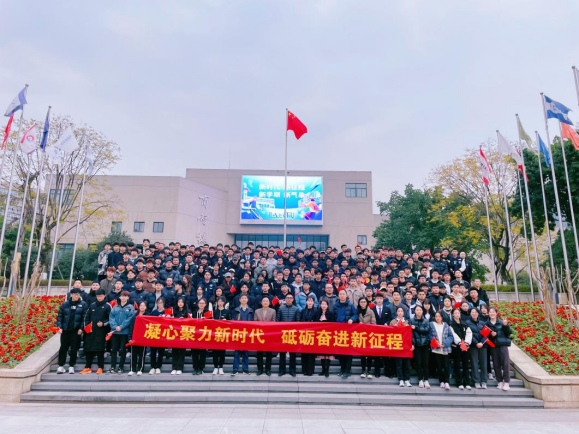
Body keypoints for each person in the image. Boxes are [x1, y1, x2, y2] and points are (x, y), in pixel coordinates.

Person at [56, 288, 88, 374]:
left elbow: (84, 318)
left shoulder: (83, 304)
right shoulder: (65, 304)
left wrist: (81, 328)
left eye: (78, 294)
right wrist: (60, 327)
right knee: (63, 348)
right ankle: (61, 366)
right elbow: (60, 316)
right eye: (74, 294)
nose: (76, 296)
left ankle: (71, 366)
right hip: (65, 330)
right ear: (71, 294)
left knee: (74, 349)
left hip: (76, 330)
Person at [80, 289, 110, 375]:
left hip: (101, 331)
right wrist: (87, 327)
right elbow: (86, 317)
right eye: (98, 296)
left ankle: (100, 367)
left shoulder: (107, 306)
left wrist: (103, 324)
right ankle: (88, 367)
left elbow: (110, 319)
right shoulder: (92, 305)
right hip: (90, 331)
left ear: (104, 296)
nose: (99, 297)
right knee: (88, 348)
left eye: (101, 296)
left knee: (100, 350)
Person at [108, 291, 135, 374]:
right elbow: (111, 317)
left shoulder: (131, 307)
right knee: (114, 350)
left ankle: (121, 367)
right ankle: (113, 367)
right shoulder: (115, 307)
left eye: (125, 296)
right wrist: (115, 326)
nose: (123, 298)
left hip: (124, 332)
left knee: (123, 350)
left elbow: (129, 319)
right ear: (119, 297)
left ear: (128, 298)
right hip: (115, 332)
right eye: (122, 296)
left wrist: (121, 326)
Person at [334, 289, 358, 378]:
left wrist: (352, 319)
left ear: (346, 295)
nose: (342, 295)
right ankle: (342, 369)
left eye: (343, 294)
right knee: (340, 352)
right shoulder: (335, 306)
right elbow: (333, 317)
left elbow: (355, 314)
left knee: (348, 352)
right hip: (338, 332)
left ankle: (347, 370)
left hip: (348, 332)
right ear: (338, 295)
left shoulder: (350, 305)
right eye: (340, 294)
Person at [487, 306, 512, 391]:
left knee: (505, 364)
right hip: (493, 346)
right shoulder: (487, 324)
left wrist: (505, 325)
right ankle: (500, 381)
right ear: (488, 313)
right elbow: (486, 336)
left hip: (502, 345)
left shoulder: (501, 322)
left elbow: (508, 333)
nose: (492, 313)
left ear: (496, 313)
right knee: (496, 364)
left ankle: (506, 382)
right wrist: (491, 335)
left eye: (493, 312)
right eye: (490, 312)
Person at [276, 293, 299, 377]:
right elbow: (277, 321)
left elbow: (298, 321)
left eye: (290, 298)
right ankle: (282, 370)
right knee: (282, 354)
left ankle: (292, 370)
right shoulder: (281, 309)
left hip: (292, 334)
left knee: (292, 354)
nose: (289, 299)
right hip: (283, 334)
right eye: (287, 298)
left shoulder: (296, 309)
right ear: (285, 299)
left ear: (293, 299)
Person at [430, 311, 453, 390]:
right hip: (436, 348)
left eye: (439, 316)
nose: (438, 318)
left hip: (445, 348)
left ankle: (447, 382)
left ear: (442, 317)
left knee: (446, 366)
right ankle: (441, 381)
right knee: (439, 366)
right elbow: (430, 335)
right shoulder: (432, 324)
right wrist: (435, 342)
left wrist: (445, 343)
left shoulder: (446, 325)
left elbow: (450, 336)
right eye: (436, 316)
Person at [450, 308, 472, 390]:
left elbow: (469, 333)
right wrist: (459, 343)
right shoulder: (451, 324)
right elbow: (453, 334)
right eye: (455, 313)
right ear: (453, 314)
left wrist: (466, 343)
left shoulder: (465, 324)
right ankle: (459, 382)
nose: (457, 314)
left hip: (465, 346)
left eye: (458, 313)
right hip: (456, 347)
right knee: (457, 365)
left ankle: (467, 382)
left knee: (466, 364)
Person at [232, 294, 254, 375]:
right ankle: (235, 369)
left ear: (247, 300)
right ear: (239, 300)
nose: (244, 299)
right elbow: (233, 321)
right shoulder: (236, 310)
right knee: (236, 353)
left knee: (246, 353)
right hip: (238, 333)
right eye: (242, 298)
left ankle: (245, 369)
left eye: (245, 298)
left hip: (247, 334)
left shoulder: (251, 310)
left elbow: (253, 321)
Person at [254, 296, 276, 376]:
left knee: (268, 353)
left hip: (269, 335)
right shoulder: (257, 311)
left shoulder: (273, 311)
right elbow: (255, 322)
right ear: (261, 302)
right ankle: (260, 369)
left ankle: (268, 369)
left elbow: (274, 322)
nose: (265, 302)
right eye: (264, 301)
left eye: (267, 301)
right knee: (259, 353)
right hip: (259, 335)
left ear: (269, 303)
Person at [410, 305, 430, 388]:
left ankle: (426, 380)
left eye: (420, 310)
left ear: (422, 311)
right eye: (417, 310)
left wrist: (416, 328)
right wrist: (413, 343)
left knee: (425, 363)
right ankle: (420, 379)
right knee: (418, 363)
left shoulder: (426, 320)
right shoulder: (411, 320)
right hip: (417, 345)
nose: (418, 311)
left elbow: (426, 330)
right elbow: (411, 334)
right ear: (415, 311)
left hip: (425, 344)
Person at [467, 307, 488, 389]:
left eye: (475, 312)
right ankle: (476, 381)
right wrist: (476, 343)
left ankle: (484, 381)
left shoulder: (482, 323)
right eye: (472, 312)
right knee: (474, 363)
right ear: (470, 313)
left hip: (483, 346)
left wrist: (481, 343)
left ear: (478, 313)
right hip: (473, 346)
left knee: (484, 364)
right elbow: (469, 335)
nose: (474, 314)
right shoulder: (467, 323)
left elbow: (486, 334)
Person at [390, 306, 411, 387]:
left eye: (401, 311)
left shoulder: (407, 321)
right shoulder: (393, 321)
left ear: (404, 313)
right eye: (398, 311)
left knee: (407, 364)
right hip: (397, 345)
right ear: (396, 312)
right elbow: (389, 333)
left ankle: (407, 379)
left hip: (406, 346)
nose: (400, 313)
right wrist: (393, 328)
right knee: (399, 364)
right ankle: (401, 379)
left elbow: (410, 334)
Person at [314, 299, 335, 377]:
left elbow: (333, 324)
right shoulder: (317, 313)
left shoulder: (331, 314)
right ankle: (323, 370)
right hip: (320, 336)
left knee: (328, 355)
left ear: (327, 305)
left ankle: (327, 370)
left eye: (325, 304)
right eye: (322, 304)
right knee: (322, 354)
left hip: (328, 336)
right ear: (320, 305)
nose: (323, 305)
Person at [357, 297, 376, 378]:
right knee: (362, 354)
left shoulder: (371, 312)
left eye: (364, 302)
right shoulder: (357, 311)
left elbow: (374, 323)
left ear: (367, 303)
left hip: (369, 335)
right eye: (361, 302)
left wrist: (366, 326)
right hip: (360, 335)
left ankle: (369, 370)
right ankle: (363, 370)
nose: (363, 303)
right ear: (359, 303)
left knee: (369, 353)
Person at [299, 295, 317, 376]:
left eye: (311, 301)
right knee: (304, 353)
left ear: (313, 302)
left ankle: (310, 371)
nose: (309, 302)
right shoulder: (303, 311)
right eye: (308, 301)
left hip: (312, 335)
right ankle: (304, 370)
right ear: (306, 302)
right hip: (304, 334)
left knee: (311, 354)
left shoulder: (316, 311)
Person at [212, 296, 230, 375]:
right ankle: (216, 367)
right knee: (215, 352)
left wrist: (226, 321)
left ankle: (221, 367)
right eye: (219, 301)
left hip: (223, 334)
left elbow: (230, 322)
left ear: (224, 302)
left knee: (222, 352)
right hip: (215, 334)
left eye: (221, 301)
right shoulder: (214, 312)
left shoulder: (227, 312)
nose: (220, 303)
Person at [129, 301, 148, 376]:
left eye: (144, 306)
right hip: (134, 338)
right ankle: (132, 369)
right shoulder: (134, 316)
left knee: (141, 355)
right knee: (133, 354)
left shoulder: (147, 316)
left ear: (146, 307)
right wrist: (130, 337)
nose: (142, 307)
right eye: (141, 306)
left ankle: (140, 369)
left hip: (143, 339)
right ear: (139, 307)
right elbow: (131, 327)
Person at [149, 298, 167, 374]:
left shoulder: (166, 312)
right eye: (158, 303)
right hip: (154, 333)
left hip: (163, 334)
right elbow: (149, 321)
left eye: (161, 302)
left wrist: (165, 317)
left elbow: (170, 322)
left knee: (161, 352)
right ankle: (153, 367)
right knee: (153, 352)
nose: (160, 304)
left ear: (163, 303)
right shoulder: (154, 312)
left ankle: (158, 367)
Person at [171, 297, 189, 375]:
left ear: (184, 303)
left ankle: (180, 368)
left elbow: (190, 322)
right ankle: (174, 367)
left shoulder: (187, 312)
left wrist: (184, 319)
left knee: (182, 352)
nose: (180, 303)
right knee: (174, 351)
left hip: (183, 334)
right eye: (179, 302)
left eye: (182, 302)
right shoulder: (174, 311)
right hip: (175, 334)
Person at [191, 298, 209, 375]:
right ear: (198, 304)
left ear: (205, 304)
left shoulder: (208, 313)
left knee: (202, 353)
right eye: (200, 303)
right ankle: (195, 368)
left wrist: (205, 320)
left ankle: (201, 368)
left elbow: (211, 323)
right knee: (194, 352)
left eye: (203, 303)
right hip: (195, 335)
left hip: (203, 335)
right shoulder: (194, 312)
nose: (201, 304)